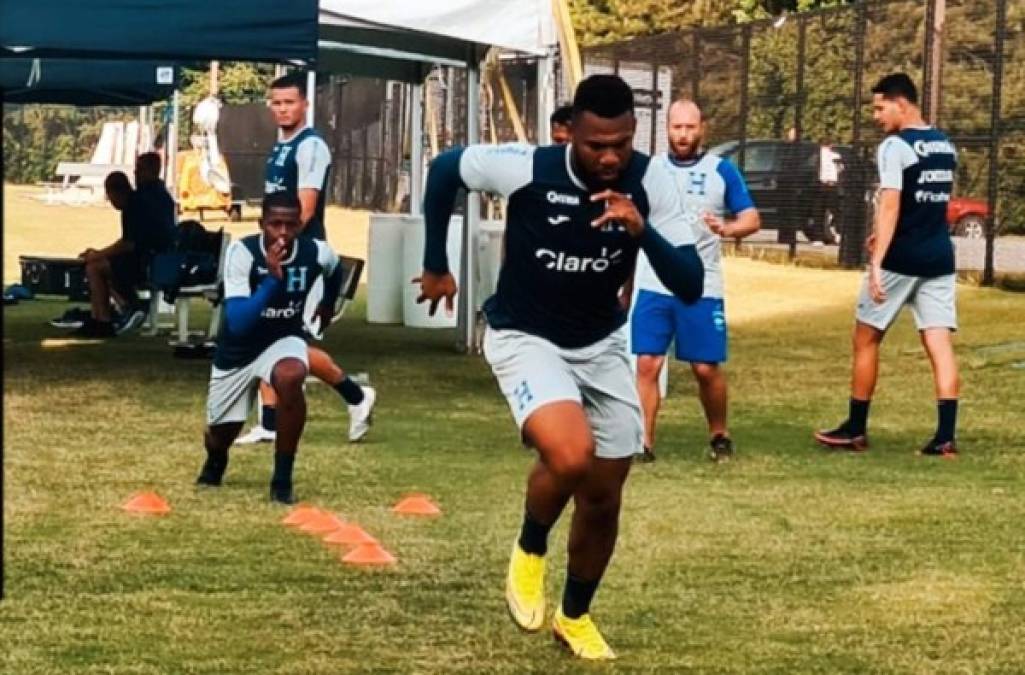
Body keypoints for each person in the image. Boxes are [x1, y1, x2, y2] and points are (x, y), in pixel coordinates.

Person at [416, 74, 704, 660]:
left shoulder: (653, 184)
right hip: (524, 334)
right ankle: (529, 547)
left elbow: (691, 285)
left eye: (621, 143)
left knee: (604, 493)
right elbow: (446, 169)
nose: (609, 157)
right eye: (596, 144)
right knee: (570, 454)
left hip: (599, 344)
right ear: (571, 132)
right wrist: (434, 262)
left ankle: (574, 616)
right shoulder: (527, 166)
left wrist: (641, 231)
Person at [815, 73, 960, 457]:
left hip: (902, 259)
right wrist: (884, 234)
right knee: (939, 342)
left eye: (881, 107)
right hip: (940, 258)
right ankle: (945, 436)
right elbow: (927, 204)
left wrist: (877, 261)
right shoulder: (945, 144)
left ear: (902, 102)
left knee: (866, 338)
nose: (877, 116)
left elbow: (892, 202)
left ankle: (855, 429)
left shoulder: (894, 146)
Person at [235, 72, 376, 446]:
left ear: (305, 105)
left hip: (302, 256)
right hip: (277, 253)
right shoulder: (281, 144)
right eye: (276, 103)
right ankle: (268, 422)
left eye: (289, 102)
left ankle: (357, 396)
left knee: (288, 341)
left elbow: (306, 209)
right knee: (265, 333)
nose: (282, 109)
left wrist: (281, 248)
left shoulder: (311, 147)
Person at [631, 99, 760, 463]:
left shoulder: (722, 170)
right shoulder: (649, 169)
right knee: (647, 363)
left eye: (690, 127)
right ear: (666, 129)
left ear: (702, 128)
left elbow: (751, 218)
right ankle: (644, 443)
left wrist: (729, 227)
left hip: (701, 284)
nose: (683, 135)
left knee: (704, 368)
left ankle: (719, 433)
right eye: (677, 127)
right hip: (654, 282)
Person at [196, 192, 344, 503]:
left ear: (300, 226)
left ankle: (282, 480)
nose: (283, 233)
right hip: (238, 350)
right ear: (262, 224)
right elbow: (238, 321)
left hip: (283, 339)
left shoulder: (316, 251)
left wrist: (328, 304)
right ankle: (216, 458)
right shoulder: (243, 253)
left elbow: (335, 269)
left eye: (290, 225)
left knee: (290, 377)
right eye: (275, 224)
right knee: (221, 434)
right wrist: (272, 281)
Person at [72, 153, 176, 337]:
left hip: (146, 263)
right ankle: (121, 308)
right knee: (106, 264)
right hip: (162, 259)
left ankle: (104, 319)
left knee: (95, 268)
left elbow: (129, 244)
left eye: (139, 169)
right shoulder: (164, 196)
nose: (136, 173)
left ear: (150, 170)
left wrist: (98, 254)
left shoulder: (138, 201)